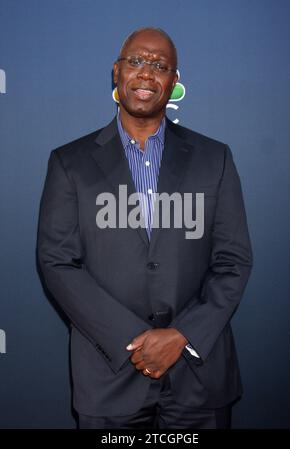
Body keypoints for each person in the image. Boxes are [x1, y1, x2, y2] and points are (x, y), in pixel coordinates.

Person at [37, 27, 252, 429]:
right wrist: (137, 341)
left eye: (160, 66)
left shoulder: (214, 158)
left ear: (174, 82)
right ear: (116, 73)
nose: (147, 73)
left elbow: (233, 261)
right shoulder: (70, 162)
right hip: (108, 376)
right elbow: (57, 262)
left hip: (199, 377)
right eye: (136, 61)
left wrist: (181, 335)